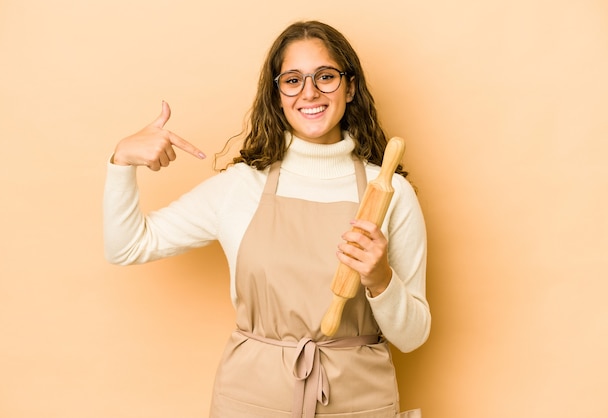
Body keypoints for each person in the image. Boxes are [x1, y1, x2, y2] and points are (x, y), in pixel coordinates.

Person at [103, 20, 430, 418]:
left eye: (325, 77)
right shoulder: (240, 187)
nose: (309, 92)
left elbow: (412, 337)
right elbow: (126, 246)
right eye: (292, 80)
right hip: (250, 400)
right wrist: (122, 161)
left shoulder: (392, 195)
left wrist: (381, 280)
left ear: (350, 86)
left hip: (360, 402)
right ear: (276, 95)